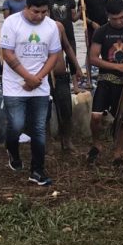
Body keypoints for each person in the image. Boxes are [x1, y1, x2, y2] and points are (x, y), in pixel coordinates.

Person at [0, 0, 62, 185]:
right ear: (26, 7)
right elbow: (7, 54)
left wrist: (39, 77)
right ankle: (12, 151)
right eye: (36, 11)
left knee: (38, 129)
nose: (40, 16)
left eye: (44, 12)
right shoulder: (11, 22)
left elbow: (54, 55)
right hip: (14, 85)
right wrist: (28, 77)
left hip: (40, 85)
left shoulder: (51, 26)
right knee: (16, 125)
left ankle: (37, 171)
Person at [87, 0, 123, 165]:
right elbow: (93, 59)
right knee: (96, 116)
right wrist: (118, 67)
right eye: (114, 18)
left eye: (121, 17)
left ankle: (118, 152)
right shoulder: (101, 31)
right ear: (107, 16)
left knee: (122, 119)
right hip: (106, 79)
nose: (118, 21)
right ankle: (96, 143)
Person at [48, 21, 83, 153]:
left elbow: (67, 47)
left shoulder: (58, 26)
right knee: (44, 111)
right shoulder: (31, 30)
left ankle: (67, 140)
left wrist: (77, 67)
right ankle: (48, 142)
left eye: (45, 11)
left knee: (66, 109)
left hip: (61, 76)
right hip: (43, 77)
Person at [49, 0, 80, 92]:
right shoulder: (48, 1)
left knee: (72, 59)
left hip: (69, 33)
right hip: (55, 35)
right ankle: (56, 83)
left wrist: (81, 12)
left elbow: (74, 19)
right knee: (56, 60)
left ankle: (75, 85)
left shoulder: (70, 0)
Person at [80, 0, 109, 89]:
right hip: (91, 28)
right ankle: (88, 79)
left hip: (104, 26)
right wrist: (92, 23)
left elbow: (107, 10)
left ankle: (106, 74)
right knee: (89, 51)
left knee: (106, 49)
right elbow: (81, 15)